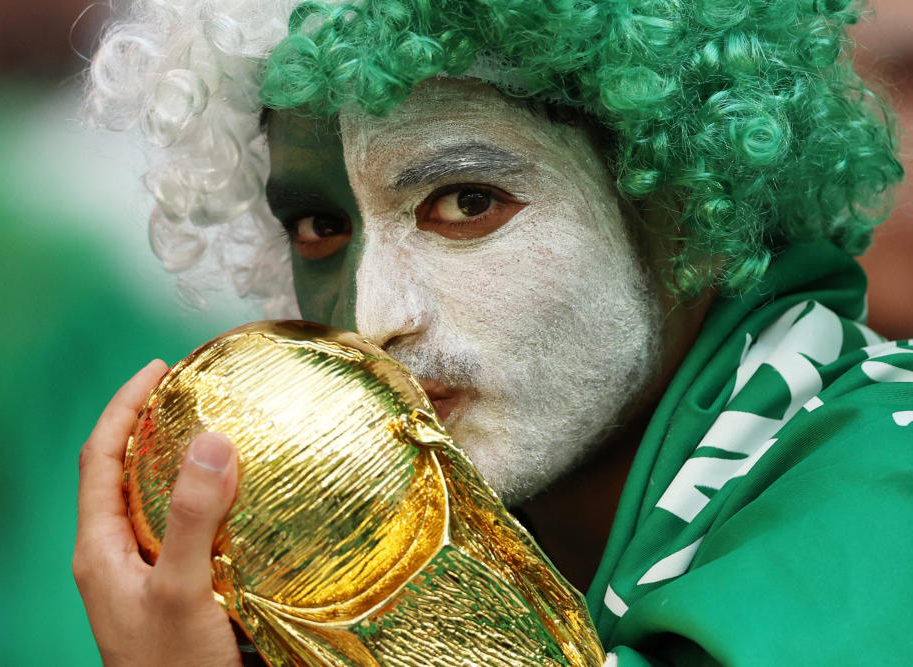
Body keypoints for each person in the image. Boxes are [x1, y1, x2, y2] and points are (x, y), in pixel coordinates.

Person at [73, 0, 913, 664]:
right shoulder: (430, 550)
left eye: (466, 201)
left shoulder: (889, 489)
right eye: (322, 225)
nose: (372, 320)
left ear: (684, 210)